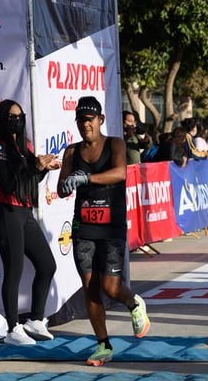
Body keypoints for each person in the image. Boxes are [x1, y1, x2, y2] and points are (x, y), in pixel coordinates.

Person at [58, 96, 150, 366]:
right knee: (90, 288)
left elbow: (120, 172)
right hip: (83, 226)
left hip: (111, 226)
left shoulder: (115, 144)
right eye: (81, 120)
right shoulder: (72, 152)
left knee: (110, 288)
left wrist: (86, 178)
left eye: (90, 119)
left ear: (99, 120)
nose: (85, 125)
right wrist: (65, 186)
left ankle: (134, 304)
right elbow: (62, 186)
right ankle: (103, 345)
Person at [0, 99, 60, 345]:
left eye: (20, 116)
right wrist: (34, 167)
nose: (17, 120)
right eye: (11, 116)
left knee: (47, 265)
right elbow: (8, 185)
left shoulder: (25, 145)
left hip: (24, 213)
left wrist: (44, 168)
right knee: (14, 271)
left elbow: (30, 182)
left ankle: (35, 320)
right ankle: (12, 329)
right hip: (6, 214)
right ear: (2, 119)